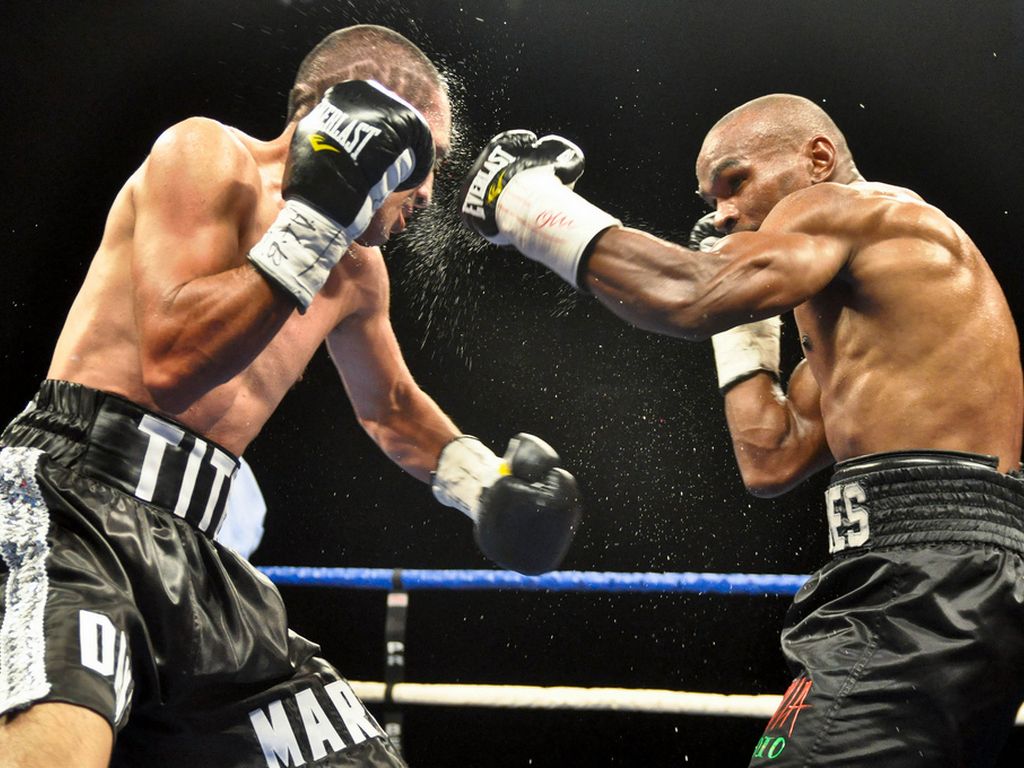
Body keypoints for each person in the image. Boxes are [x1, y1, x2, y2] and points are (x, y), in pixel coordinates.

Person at [0, 24, 581, 768]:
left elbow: (390, 407)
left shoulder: (358, 272)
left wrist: (484, 486)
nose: (429, 192)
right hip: (74, 499)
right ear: (358, 121)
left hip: (197, 551)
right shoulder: (207, 154)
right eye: (423, 156)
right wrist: (319, 216)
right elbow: (174, 362)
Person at [459, 95, 1024, 766]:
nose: (722, 212)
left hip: (922, 579)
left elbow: (688, 295)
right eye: (711, 199)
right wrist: (745, 324)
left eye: (735, 181)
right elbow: (771, 458)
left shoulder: (848, 208)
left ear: (818, 159)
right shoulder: (868, 316)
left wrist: (527, 203)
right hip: (949, 572)